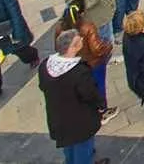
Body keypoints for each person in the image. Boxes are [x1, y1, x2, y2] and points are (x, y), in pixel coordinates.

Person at [39, 28, 107, 161]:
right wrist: (100, 105)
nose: (82, 39)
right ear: (72, 47)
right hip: (80, 122)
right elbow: (90, 94)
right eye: (79, 40)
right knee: (83, 152)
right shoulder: (79, 72)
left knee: (69, 150)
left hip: (59, 120)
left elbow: (43, 86)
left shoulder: (45, 66)